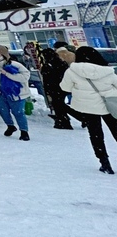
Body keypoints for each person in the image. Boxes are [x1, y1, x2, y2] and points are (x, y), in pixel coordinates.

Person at [60, 46, 117, 174]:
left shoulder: (72, 71)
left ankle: (104, 162)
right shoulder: (107, 71)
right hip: (109, 105)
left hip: (88, 107)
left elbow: (65, 88)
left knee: (96, 134)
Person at [0, 45, 31, 140]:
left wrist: (7, 74)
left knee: (18, 112)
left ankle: (24, 131)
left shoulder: (14, 64)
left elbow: (25, 77)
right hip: (0, 91)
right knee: (2, 110)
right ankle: (10, 125)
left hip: (15, 92)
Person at [39, 46, 74, 129]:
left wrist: (47, 90)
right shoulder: (61, 63)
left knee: (58, 105)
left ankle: (65, 121)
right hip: (62, 87)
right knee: (60, 104)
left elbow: (47, 80)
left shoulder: (47, 65)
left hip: (54, 88)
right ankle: (63, 120)